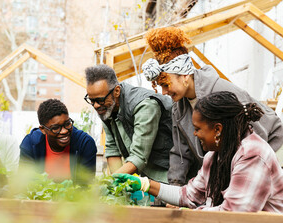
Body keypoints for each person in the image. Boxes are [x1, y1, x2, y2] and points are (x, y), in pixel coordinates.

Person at [142, 26, 283, 186]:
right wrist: (175, 186)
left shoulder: (221, 91)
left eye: (166, 84)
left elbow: (257, 134)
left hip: (272, 148)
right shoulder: (178, 108)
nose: (164, 91)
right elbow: (180, 152)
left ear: (184, 75)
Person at [114, 91, 283, 212]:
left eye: (198, 129)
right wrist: (145, 184)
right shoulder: (214, 156)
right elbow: (188, 195)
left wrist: (191, 214)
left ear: (217, 129)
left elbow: (234, 214)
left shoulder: (252, 155)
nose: (194, 134)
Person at [84, 64, 173, 183]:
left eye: (100, 100)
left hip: (170, 175)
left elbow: (139, 157)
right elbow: (112, 149)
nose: (95, 105)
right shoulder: (106, 108)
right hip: (144, 176)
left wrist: (108, 182)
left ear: (116, 91)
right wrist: (117, 186)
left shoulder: (145, 105)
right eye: (91, 100)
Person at [19, 99, 97, 183]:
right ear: (43, 130)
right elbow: (26, 183)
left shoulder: (85, 144)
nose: (64, 131)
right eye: (55, 128)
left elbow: (85, 186)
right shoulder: (30, 144)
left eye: (67, 124)